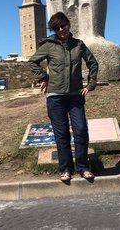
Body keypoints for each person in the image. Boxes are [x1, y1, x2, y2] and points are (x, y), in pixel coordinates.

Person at [28, 12, 98, 182]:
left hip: (75, 95)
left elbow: (93, 63)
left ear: (68, 25)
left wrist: (90, 85)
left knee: (81, 130)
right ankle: (65, 169)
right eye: (57, 28)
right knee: (62, 134)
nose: (61, 30)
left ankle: (83, 167)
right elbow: (32, 62)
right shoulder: (48, 45)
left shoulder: (78, 45)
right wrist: (44, 78)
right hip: (55, 97)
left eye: (63, 26)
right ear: (54, 30)